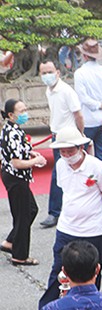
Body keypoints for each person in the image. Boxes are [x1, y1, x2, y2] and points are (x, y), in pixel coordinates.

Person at [30, 127, 102, 310]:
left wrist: (96, 214)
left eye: (70, 150)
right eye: (63, 151)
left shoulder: (98, 167)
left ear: (81, 147)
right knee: (57, 271)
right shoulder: (61, 165)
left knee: (93, 273)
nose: (67, 155)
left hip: (93, 231)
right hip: (66, 228)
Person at [0, 99, 48, 266]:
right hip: (15, 177)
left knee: (30, 210)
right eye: (21, 111)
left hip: (17, 177)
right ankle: (20, 255)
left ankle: (11, 241)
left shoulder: (13, 129)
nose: (25, 113)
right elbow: (16, 163)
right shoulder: (11, 132)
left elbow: (19, 151)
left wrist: (31, 153)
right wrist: (36, 161)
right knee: (23, 215)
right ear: (11, 115)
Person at [39, 60, 85, 229]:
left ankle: (57, 212)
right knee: (60, 173)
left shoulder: (66, 91)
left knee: (68, 172)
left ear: (58, 72)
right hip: (56, 136)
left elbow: (78, 115)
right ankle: (57, 211)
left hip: (70, 137)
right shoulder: (49, 91)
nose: (47, 76)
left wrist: (80, 135)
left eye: (49, 72)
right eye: (43, 73)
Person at [75, 39, 102, 163]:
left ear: (84, 56)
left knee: (84, 156)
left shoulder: (80, 73)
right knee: (101, 154)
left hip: (88, 119)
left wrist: (100, 105)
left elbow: (83, 98)